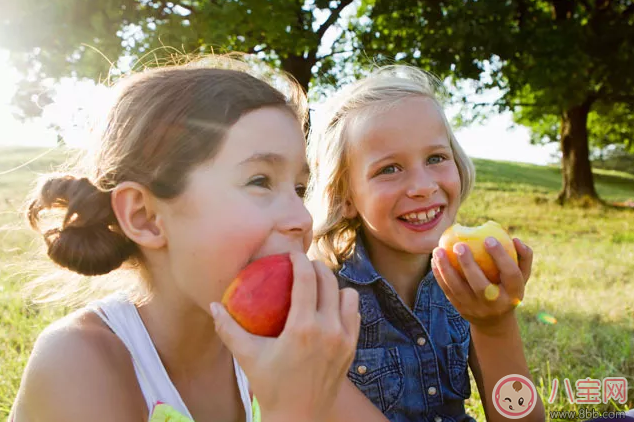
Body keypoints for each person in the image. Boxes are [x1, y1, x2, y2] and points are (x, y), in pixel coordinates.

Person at [8, 57, 381, 422]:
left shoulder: (273, 351)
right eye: (260, 181)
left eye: (299, 188)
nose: (302, 219)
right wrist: (294, 410)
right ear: (145, 217)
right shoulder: (78, 361)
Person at [306, 65, 546, 422]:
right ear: (346, 197)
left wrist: (496, 325)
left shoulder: (469, 281)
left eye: (435, 158)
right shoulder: (320, 297)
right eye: (389, 169)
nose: (422, 185)